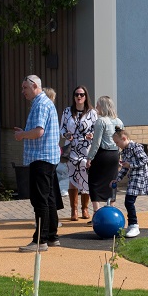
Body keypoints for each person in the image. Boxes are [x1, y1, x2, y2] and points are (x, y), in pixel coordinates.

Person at [14, 75, 61, 252]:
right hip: (47, 157)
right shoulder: (44, 102)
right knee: (48, 197)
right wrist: (25, 132)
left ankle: (40, 240)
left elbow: (39, 132)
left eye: (24, 88)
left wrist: (22, 135)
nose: (23, 91)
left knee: (39, 199)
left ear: (34, 86)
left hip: (41, 157)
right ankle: (51, 236)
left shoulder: (41, 104)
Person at [60, 85, 98, 221]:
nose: (79, 97)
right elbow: (61, 129)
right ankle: (74, 210)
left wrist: (91, 135)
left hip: (86, 149)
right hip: (72, 148)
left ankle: (85, 208)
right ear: (74, 97)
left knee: (86, 177)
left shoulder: (92, 113)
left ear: (86, 96)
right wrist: (66, 134)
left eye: (82, 94)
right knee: (73, 178)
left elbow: (96, 130)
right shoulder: (67, 111)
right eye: (77, 94)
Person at [86, 95, 124, 213]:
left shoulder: (101, 121)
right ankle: (111, 209)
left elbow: (96, 143)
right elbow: (122, 140)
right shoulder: (119, 121)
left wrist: (89, 158)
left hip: (102, 155)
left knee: (93, 181)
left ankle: (97, 212)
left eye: (98, 105)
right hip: (114, 154)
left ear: (102, 106)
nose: (96, 107)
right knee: (112, 181)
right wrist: (121, 156)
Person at [113, 127, 148, 238]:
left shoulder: (135, 147)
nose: (116, 145)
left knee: (129, 201)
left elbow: (145, 159)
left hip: (139, 177)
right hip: (133, 177)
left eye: (117, 142)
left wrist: (131, 164)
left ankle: (134, 225)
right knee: (128, 202)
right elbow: (124, 167)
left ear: (124, 138)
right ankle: (131, 225)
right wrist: (117, 179)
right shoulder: (124, 151)